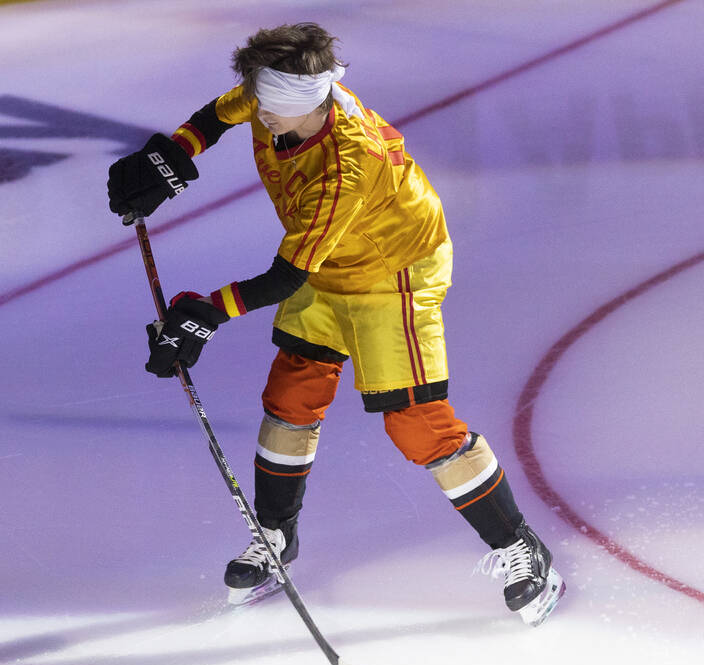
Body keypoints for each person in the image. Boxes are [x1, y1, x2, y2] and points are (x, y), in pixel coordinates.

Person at [106, 23, 565, 625]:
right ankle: (276, 537)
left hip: (394, 273)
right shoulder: (279, 97)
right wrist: (167, 161)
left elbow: (284, 279)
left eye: (267, 106)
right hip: (329, 263)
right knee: (291, 395)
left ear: (302, 102)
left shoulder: (347, 167)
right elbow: (217, 116)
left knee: (417, 425)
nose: (257, 113)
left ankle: (521, 549)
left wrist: (203, 314)